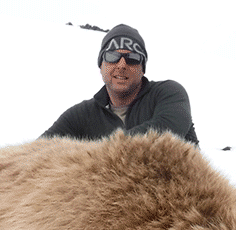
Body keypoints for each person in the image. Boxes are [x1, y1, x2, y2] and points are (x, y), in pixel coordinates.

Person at [41, 24, 198, 144]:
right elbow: (38, 150)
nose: (122, 65)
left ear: (142, 69)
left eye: (133, 58)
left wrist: (92, 154)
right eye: (112, 56)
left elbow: (167, 132)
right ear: (101, 65)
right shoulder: (81, 115)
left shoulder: (169, 93)